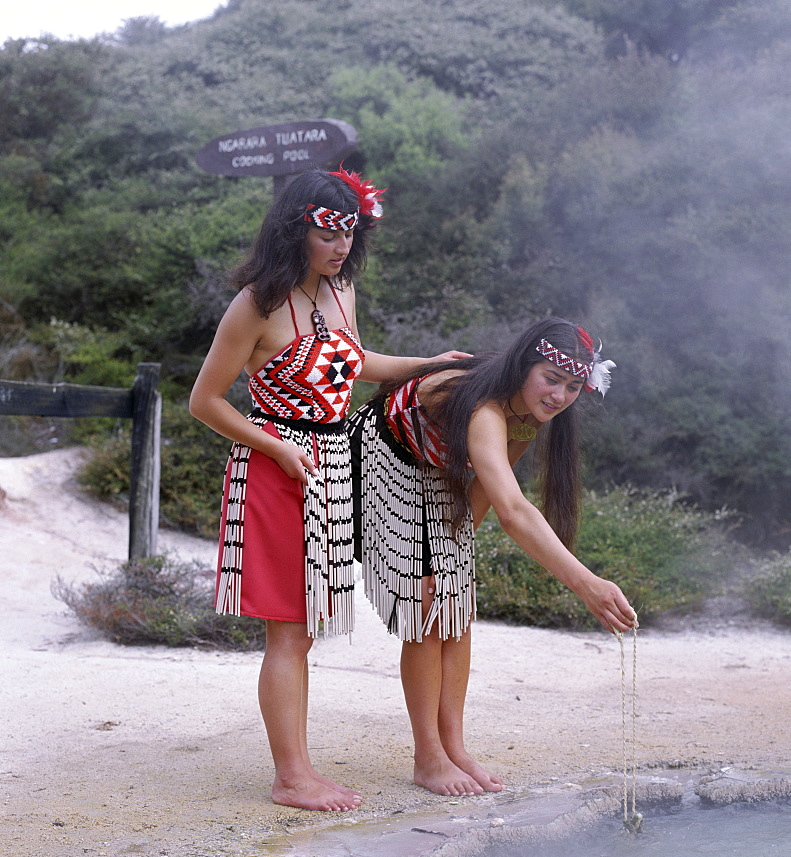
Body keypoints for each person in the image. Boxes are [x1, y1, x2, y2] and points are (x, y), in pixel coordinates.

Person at [189, 167, 466, 812]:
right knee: (288, 632)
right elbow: (204, 402)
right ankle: (293, 777)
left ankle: (326, 764)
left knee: (319, 626)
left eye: (351, 232)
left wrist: (430, 365)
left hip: (339, 460)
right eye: (327, 231)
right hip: (277, 467)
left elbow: (358, 366)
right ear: (295, 230)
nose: (341, 246)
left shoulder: (341, 291)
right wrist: (279, 449)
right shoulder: (255, 304)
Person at [348, 317, 636, 797]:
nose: (559, 396)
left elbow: (485, 491)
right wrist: (587, 582)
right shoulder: (484, 406)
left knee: (454, 605)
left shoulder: (525, 415)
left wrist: (450, 557)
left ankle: (455, 749)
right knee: (423, 608)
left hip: (437, 470)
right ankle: (429, 758)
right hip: (383, 455)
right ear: (523, 367)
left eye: (571, 387)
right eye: (550, 378)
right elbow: (515, 510)